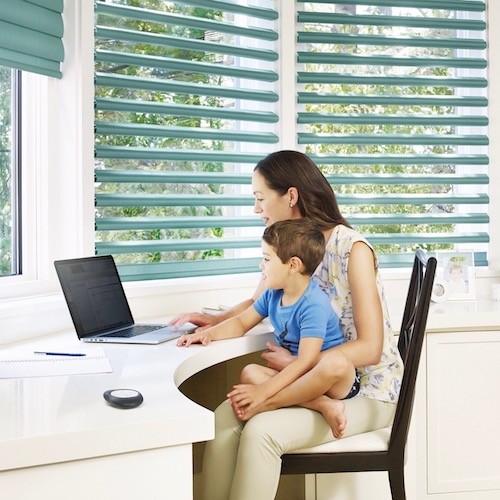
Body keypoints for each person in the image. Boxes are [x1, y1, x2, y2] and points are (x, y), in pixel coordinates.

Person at [171, 150, 404, 500]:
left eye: (260, 198)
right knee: (224, 415)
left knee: (261, 429)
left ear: (290, 196)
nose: (256, 209)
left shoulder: (351, 249)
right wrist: (214, 323)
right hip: (313, 382)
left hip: (367, 391)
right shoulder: (286, 248)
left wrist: (298, 365)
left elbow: (370, 348)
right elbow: (256, 303)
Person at [178, 219, 359, 434]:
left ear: (293, 265)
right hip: (299, 377)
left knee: (335, 362)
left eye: (266, 259)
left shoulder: (313, 303)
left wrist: (263, 393)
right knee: (249, 373)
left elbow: (305, 362)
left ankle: (271, 402)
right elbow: (241, 322)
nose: (261, 266)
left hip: (331, 381)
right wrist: (208, 334)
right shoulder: (273, 294)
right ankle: (321, 404)